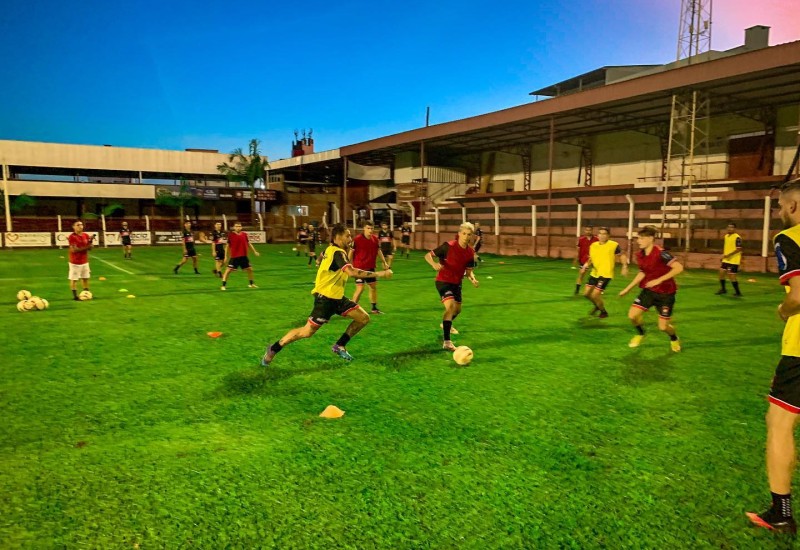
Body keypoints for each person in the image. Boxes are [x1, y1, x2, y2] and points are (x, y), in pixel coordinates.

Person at [746, 181, 800, 534]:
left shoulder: (790, 238)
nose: (780, 213)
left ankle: (780, 512)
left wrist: (783, 309)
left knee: (778, 421)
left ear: (792, 206)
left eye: (781, 208)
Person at [261, 223, 393, 366]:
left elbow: (322, 256)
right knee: (306, 332)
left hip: (337, 297)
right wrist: (381, 273)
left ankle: (339, 346)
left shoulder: (330, 249)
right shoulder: (337, 252)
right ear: (338, 237)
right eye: (347, 235)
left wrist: (319, 262)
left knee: (363, 318)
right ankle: (273, 349)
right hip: (325, 299)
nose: (350, 238)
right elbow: (352, 272)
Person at [618, 226, 683, 352]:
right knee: (632, 316)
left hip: (666, 293)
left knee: (663, 327)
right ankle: (641, 333)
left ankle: (674, 338)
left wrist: (659, 280)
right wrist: (628, 288)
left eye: (641, 238)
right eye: (638, 238)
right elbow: (643, 272)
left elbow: (678, 268)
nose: (638, 241)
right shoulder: (640, 255)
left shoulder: (662, 253)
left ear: (651, 239)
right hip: (649, 291)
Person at [426, 222, 479, 351]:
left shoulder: (470, 252)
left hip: (457, 283)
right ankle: (447, 342)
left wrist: (472, 278)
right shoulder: (448, 246)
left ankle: (445, 324)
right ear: (459, 234)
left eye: (469, 234)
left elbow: (469, 271)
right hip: (443, 281)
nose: (466, 237)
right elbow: (428, 255)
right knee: (450, 307)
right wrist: (433, 264)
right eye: (464, 234)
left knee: (457, 310)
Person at [581, 227, 628, 318]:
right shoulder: (593, 245)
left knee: (595, 295)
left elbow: (622, 255)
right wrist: (586, 265)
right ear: (597, 235)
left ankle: (603, 312)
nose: (602, 236)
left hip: (606, 274)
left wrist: (624, 266)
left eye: (604, 234)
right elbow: (591, 258)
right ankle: (597, 306)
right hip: (594, 273)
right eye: (600, 233)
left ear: (608, 236)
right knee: (586, 294)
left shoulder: (613, 245)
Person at [349, 221, 389, 314]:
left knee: (373, 287)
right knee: (360, 288)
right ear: (364, 228)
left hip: (370, 268)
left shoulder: (375, 239)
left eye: (371, 228)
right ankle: (350, 309)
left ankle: (374, 308)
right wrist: (347, 264)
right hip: (359, 268)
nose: (370, 230)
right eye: (368, 228)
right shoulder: (357, 239)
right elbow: (351, 252)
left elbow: (378, 250)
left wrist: (384, 262)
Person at [221, 222, 260, 290]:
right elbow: (227, 246)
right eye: (236, 226)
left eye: (239, 226)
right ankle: (223, 286)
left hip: (244, 256)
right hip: (234, 257)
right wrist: (225, 256)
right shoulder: (231, 235)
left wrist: (255, 251)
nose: (238, 227)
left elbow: (249, 243)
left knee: (250, 269)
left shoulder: (244, 234)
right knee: (228, 271)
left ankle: (251, 284)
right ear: (234, 227)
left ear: (241, 227)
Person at [68, 220, 93, 301]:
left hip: (84, 261)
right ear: (74, 227)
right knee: (74, 279)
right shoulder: (72, 237)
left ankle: (86, 293)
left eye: (81, 224)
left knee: (85, 278)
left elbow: (90, 248)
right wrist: (87, 247)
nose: (80, 226)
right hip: (75, 262)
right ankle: (75, 296)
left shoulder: (86, 235)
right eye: (78, 225)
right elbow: (74, 250)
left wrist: (91, 244)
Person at [717, 222, 743, 296]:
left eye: (731, 227)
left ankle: (738, 292)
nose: (729, 228)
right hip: (726, 259)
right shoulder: (726, 236)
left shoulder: (737, 237)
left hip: (734, 260)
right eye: (728, 227)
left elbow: (739, 249)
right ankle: (723, 289)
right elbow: (727, 247)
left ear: (734, 229)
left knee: (732, 276)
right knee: (721, 273)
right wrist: (723, 255)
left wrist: (728, 255)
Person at [574, 226, 597, 294]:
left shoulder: (596, 239)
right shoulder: (581, 239)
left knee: (597, 275)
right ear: (585, 231)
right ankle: (577, 289)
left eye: (589, 230)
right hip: (583, 260)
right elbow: (578, 249)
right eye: (587, 230)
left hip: (594, 260)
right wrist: (576, 258)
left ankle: (597, 289)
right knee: (581, 274)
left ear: (592, 230)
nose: (588, 231)